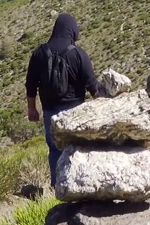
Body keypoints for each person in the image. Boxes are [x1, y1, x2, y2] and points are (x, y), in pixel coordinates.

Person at [25, 13, 98, 186]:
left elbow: (30, 84)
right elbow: (93, 86)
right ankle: (79, 186)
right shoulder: (79, 54)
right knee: (77, 149)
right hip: (76, 111)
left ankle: (58, 186)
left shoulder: (39, 53)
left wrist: (32, 109)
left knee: (55, 149)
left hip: (50, 111)